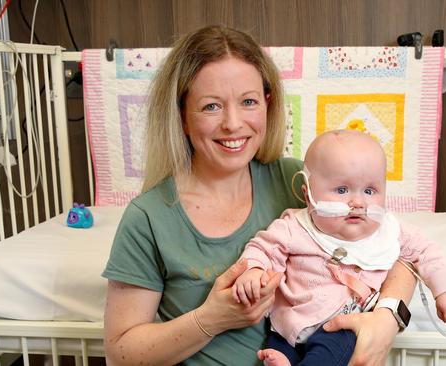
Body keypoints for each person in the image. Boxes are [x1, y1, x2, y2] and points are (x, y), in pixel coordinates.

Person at [102, 25, 417, 366]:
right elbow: (121, 353)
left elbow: (401, 250)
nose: (233, 123)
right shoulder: (148, 218)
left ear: (268, 103)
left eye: (248, 101)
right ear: (181, 116)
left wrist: (387, 318)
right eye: (210, 107)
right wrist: (211, 319)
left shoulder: (297, 183)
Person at [232, 130, 446, 366]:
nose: (358, 203)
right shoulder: (295, 227)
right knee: (278, 344)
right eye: (342, 190)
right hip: (292, 322)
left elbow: (426, 253)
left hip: (344, 324)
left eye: (369, 191)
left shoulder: (390, 231)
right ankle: (285, 359)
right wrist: (253, 270)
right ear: (308, 195)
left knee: (331, 352)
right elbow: (264, 247)